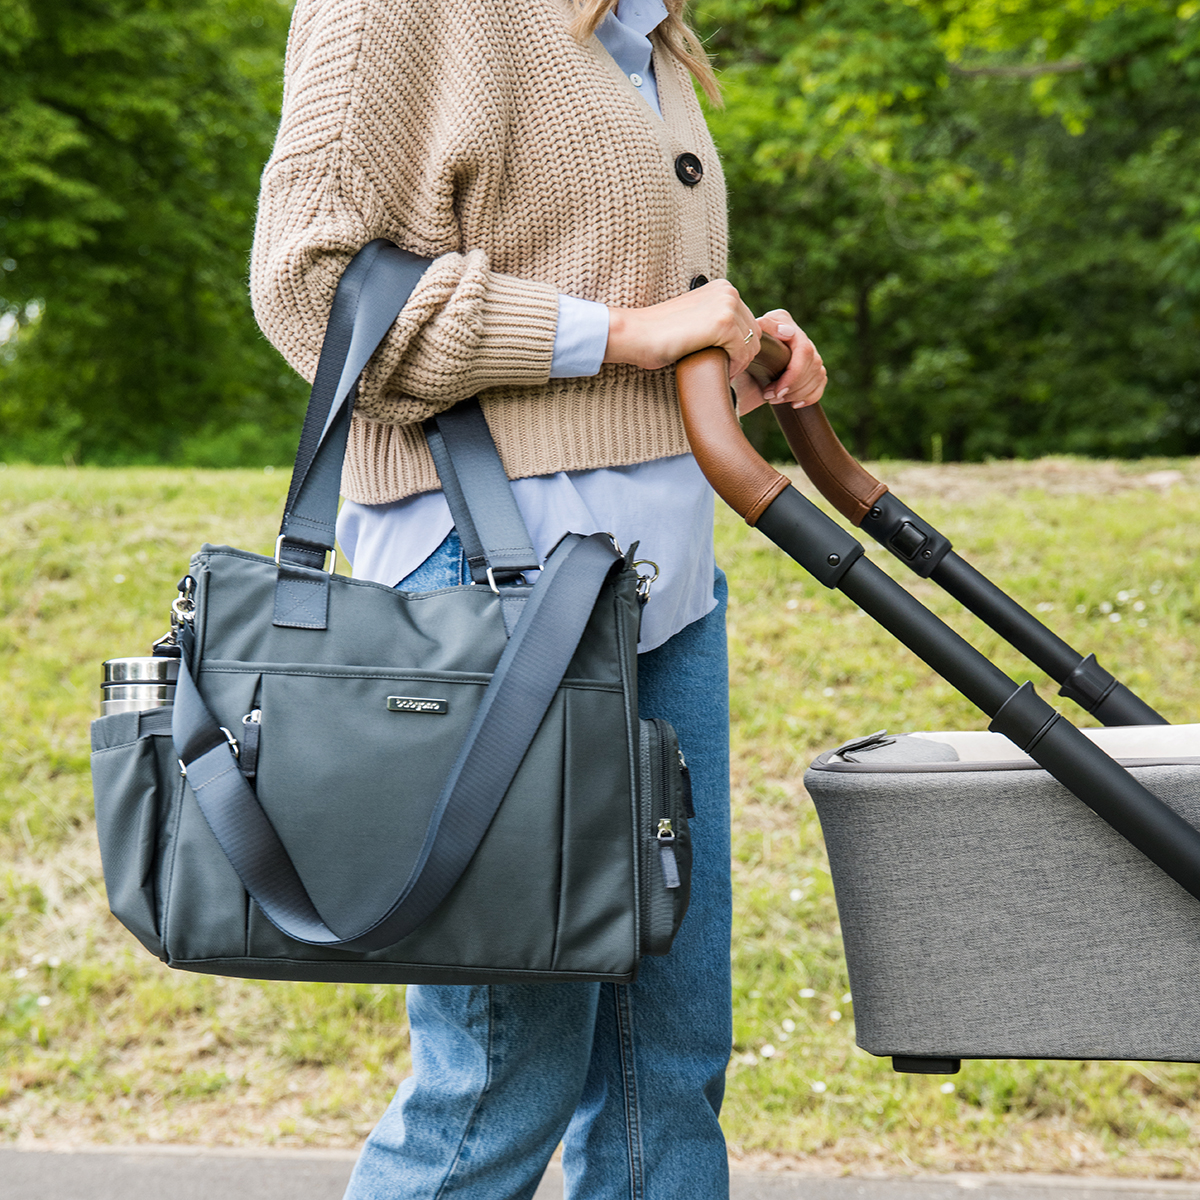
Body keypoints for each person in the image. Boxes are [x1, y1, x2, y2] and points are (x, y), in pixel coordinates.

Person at [250, 1, 828, 1196]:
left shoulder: (649, 30)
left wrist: (730, 346)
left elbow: (596, 286)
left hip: (661, 587)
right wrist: (627, 334)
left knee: (665, 1073)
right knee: (499, 1087)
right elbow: (312, 291)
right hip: (492, 585)